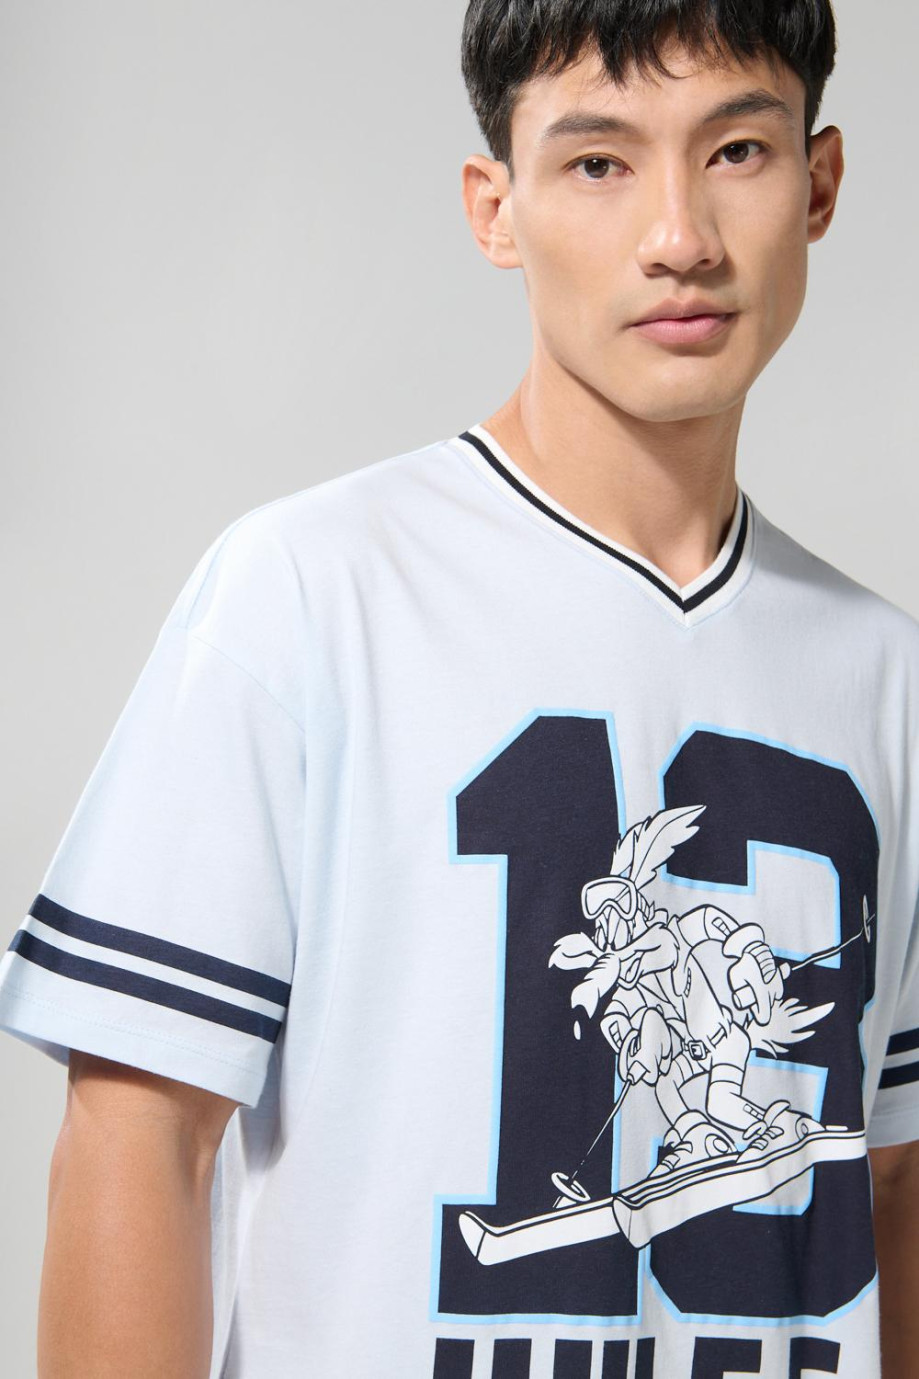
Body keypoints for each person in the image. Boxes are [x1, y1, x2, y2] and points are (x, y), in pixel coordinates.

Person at [1, 1, 917, 1375]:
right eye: (598, 163)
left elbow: (892, 1182)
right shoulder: (310, 596)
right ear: (497, 208)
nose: (680, 235)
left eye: (736, 150)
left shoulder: (889, 678)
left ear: (820, 183)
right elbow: (139, 1134)